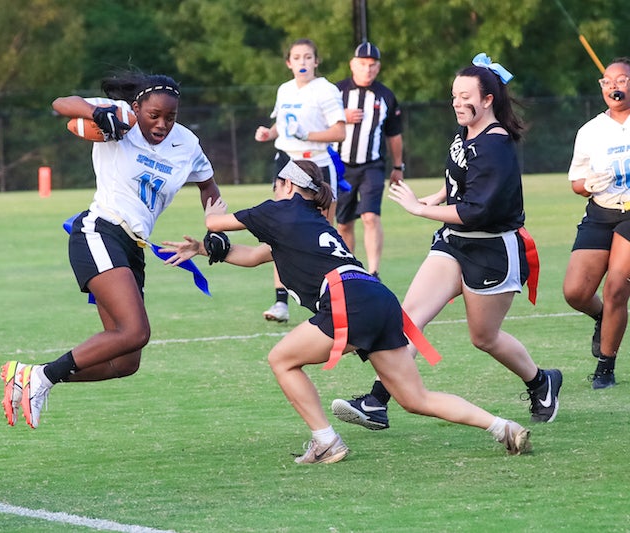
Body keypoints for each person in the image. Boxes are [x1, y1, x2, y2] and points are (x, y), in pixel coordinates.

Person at [162, 160, 531, 464]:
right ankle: (503, 427)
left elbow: (216, 223)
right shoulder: (313, 222)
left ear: (287, 185)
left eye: (276, 185)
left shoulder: (281, 208)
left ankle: (326, 440)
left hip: (347, 300)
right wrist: (204, 250)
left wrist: (212, 212)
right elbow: (255, 255)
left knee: (281, 360)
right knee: (415, 399)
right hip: (376, 297)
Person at [332, 53, 563, 431]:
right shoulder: (466, 131)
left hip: (491, 251)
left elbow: (476, 210)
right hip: (454, 243)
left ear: (488, 99)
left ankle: (541, 381)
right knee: (408, 317)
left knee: (484, 338)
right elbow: (460, 179)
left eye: (466, 96)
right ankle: (377, 401)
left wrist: (419, 211)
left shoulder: (495, 145)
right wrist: (436, 198)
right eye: (454, 95)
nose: (457, 103)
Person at [0, 72, 221, 428]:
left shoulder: (187, 144)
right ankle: (40, 380)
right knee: (136, 331)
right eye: (154, 115)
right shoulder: (120, 115)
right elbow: (61, 104)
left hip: (132, 247)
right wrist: (95, 113)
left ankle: (33, 376)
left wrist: (216, 229)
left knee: (125, 362)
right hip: (100, 230)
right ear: (137, 107)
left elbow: (208, 186)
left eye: (171, 116)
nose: (162, 123)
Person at [255, 38, 346, 323]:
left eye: (308, 57)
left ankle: (332, 297)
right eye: (297, 57)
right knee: (280, 229)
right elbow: (283, 125)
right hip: (287, 163)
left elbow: (339, 132)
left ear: (316, 61)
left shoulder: (326, 90)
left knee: (322, 234)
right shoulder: (284, 90)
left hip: (316, 165)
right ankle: (281, 301)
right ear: (289, 62)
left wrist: (308, 135)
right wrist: (269, 134)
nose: (303, 62)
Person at [562, 57, 630, 389]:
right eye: (607, 81)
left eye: (621, 80)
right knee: (575, 292)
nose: (614, 86)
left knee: (617, 286)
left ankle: (606, 365)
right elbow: (576, 181)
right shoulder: (590, 130)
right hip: (600, 211)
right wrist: (588, 184)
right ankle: (601, 317)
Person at [335, 41, 405, 278]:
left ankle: (374, 271)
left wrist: (398, 166)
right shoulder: (336, 92)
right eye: (363, 64)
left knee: (370, 216)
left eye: (372, 65)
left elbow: (394, 135)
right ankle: (350, 269)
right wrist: (341, 116)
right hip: (340, 166)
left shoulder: (385, 95)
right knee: (343, 222)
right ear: (353, 65)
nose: (368, 69)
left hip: (372, 165)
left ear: (378, 67)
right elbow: (318, 121)